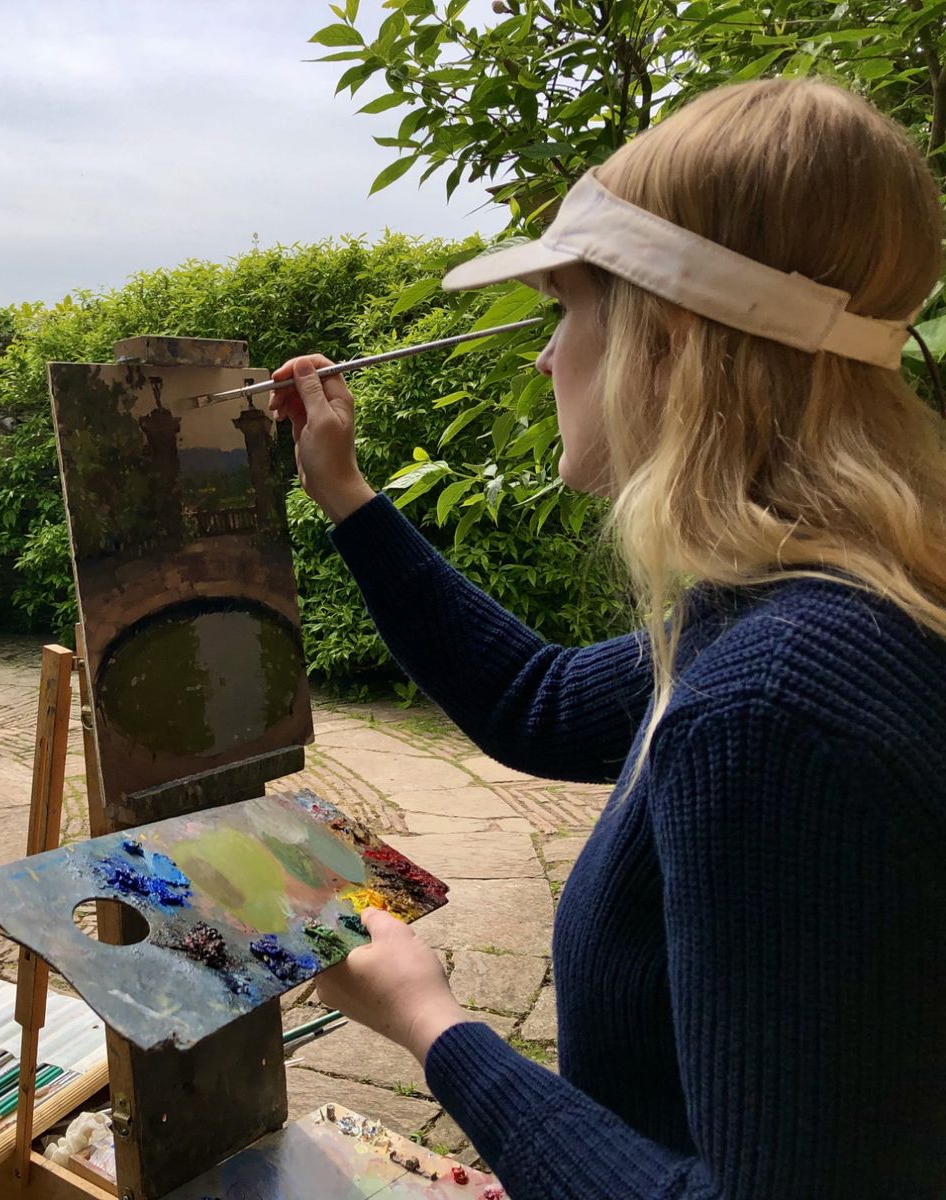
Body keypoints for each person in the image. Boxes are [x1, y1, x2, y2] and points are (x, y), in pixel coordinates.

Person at [274, 78, 946, 1196]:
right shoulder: (815, 596)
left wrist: (433, 1024)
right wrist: (346, 495)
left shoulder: (773, 706)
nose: (546, 361)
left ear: (668, 341)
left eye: (562, 315)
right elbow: (538, 702)